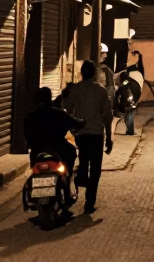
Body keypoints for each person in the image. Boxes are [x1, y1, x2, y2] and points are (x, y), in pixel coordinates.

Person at [64, 59, 114, 214]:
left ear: (81, 73)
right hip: (97, 135)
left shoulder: (75, 90)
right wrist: (109, 137)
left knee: (84, 160)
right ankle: (89, 202)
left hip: (81, 134)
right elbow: (107, 115)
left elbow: (67, 109)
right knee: (96, 169)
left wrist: (72, 128)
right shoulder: (100, 91)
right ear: (94, 74)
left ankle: (81, 178)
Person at [23, 87, 85, 209]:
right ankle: (66, 191)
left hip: (38, 150)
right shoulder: (58, 114)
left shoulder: (29, 117)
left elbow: (27, 136)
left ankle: (34, 192)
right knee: (71, 154)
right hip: (58, 148)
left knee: (35, 165)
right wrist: (84, 122)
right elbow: (77, 123)